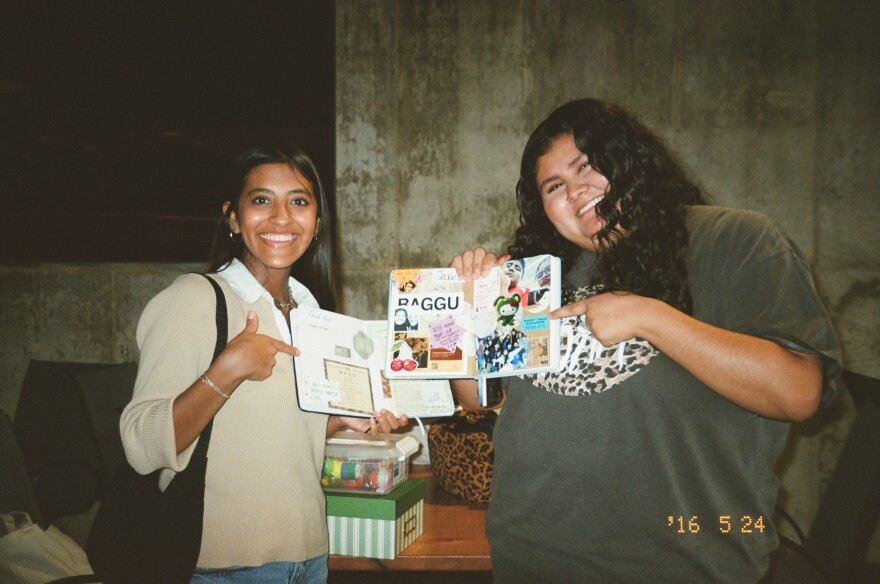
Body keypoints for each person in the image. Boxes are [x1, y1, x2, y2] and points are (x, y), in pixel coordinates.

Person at [451, 99, 841, 584]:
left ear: (630, 160)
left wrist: (648, 316)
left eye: (587, 166)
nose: (575, 193)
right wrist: (475, 312)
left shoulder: (734, 240)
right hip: (528, 559)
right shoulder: (539, 274)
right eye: (554, 187)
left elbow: (799, 392)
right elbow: (479, 402)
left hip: (681, 567)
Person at [119, 145, 405, 584]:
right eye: (260, 200)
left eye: (298, 201)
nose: (281, 217)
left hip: (309, 556)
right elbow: (139, 445)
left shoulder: (313, 315)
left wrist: (339, 420)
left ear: (317, 222)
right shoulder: (195, 299)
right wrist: (226, 370)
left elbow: (264, 434)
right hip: (223, 567)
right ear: (233, 218)